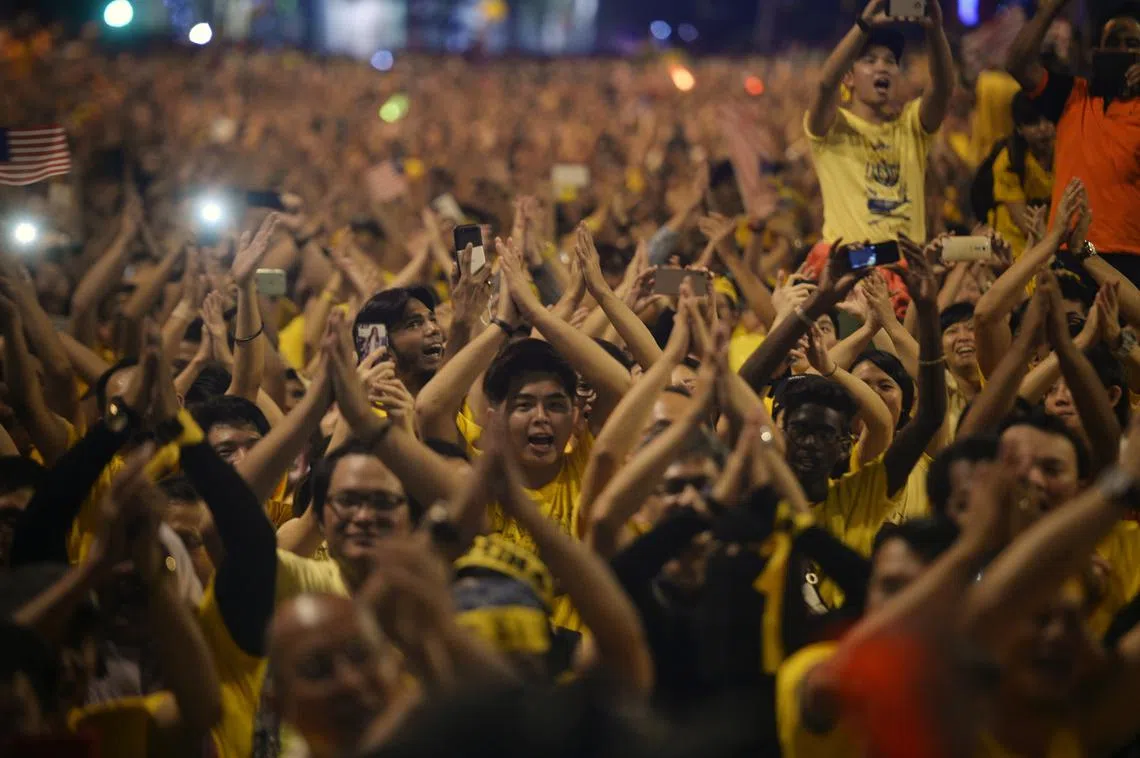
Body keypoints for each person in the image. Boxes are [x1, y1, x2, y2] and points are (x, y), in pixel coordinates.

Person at [1007, 0, 1140, 279]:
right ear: (1097, 51)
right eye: (1113, 42)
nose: (1122, 51)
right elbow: (1018, 64)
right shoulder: (1071, 95)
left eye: (1132, 43)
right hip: (1075, 252)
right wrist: (1050, 10)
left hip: (1130, 258)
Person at [804, 0, 953, 246]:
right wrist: (863, 25)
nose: (882, 68)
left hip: (908, 270)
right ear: (849, 77)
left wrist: (935, 30)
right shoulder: (832, 128)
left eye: (890, 61)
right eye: (870, 60)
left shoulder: (911, 126)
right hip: (854, 267)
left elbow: (943, 88)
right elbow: (825, 85)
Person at [971, 91, 1056, 258]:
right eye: (1033, 123)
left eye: (1048, 120)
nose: (1043, 128)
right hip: (1014, 247)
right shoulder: (1008, 162)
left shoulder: (1065, 152)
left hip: (1049, 240)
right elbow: (1027, 226)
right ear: (1019, 128)